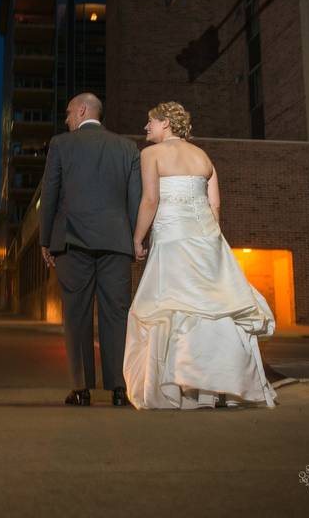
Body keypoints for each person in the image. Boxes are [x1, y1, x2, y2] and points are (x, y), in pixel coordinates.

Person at [123, 102, 277, 409]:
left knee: (173, 309)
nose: (146, 128)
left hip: (172, 240)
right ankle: (219, 388)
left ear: (165, 123)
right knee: (213, 310)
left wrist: (138, 238)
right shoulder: (203, 157)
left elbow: (150, 200)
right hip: (207, 239)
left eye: (150, 122)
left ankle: (178, 389)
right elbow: (215, 206)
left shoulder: (151, 155)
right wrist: (210, 241)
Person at [39, 93, 142, 407]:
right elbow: (135, 199)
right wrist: (135, 238)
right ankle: (120, 389)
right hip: (116, 242)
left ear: (82, 110)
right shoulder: (127, 148)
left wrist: (46, 240)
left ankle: (81, 389)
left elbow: (50, 193)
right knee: (117, 314)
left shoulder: (61, 145)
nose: (67, 119)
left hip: (74, 242)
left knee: (77, 314)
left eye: (69, 112)